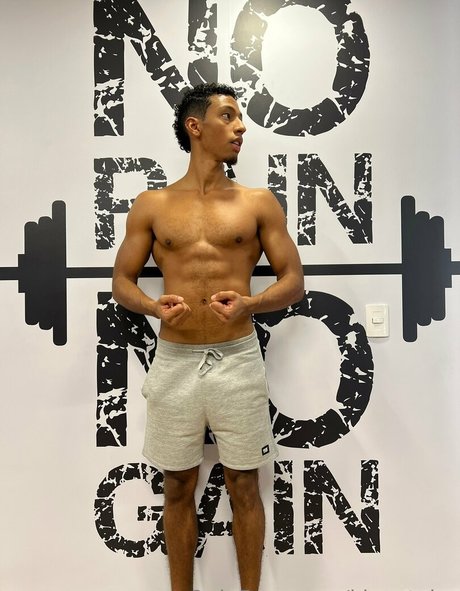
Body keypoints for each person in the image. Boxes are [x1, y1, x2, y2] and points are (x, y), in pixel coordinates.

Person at [112, 82, 304, 591]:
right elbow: (120, 283)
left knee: (244, 484)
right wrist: (152, 306)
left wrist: (250, 303)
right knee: (177, 485)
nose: (241, 127)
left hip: (237, 357)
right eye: (228, 116)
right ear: (195, 127)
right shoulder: (152, 204)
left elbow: (293, 281)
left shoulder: (258, 202)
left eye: (240, 118)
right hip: (175, 358)